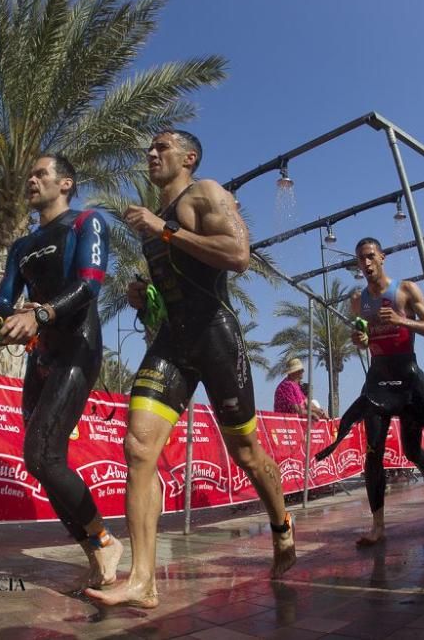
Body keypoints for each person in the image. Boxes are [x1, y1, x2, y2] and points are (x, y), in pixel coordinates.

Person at [86, 130, 296, 608]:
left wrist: (164, 231)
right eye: (149, 149)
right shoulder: (157, 217)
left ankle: (282, 528)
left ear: (189, 157)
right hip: (171, 341)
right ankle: (143, 580)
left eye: (163, 148)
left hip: (216, 339)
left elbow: (238, 255)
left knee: (247, 454)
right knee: (137, 447)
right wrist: (145, 299)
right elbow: (176, 280)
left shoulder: (206, 193)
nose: (151, 154)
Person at [0, 154, 121, 591]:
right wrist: (9, 321)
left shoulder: (88, 222)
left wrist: (41, 313)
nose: (31, 179)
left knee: (41, 454)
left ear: (65, 183)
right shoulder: (21, 246)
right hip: (42, 355)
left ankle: (104, 539)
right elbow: (2, 300)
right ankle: (96, 553)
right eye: (28, 173)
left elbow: (89, 285)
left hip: (78, 347)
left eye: (40, 173)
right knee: (46, 463)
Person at [314, 237, 424, 546]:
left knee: (411, 449)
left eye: (371, 256)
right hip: (378, 376)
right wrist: (359, 340)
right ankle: (378, 526)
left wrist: (400, 319)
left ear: (382, 257)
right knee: (373, 453)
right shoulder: (357, 300)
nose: (367, 263)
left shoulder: (406, 290)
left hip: (406, 374)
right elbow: (361, 339)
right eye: (361, 259)